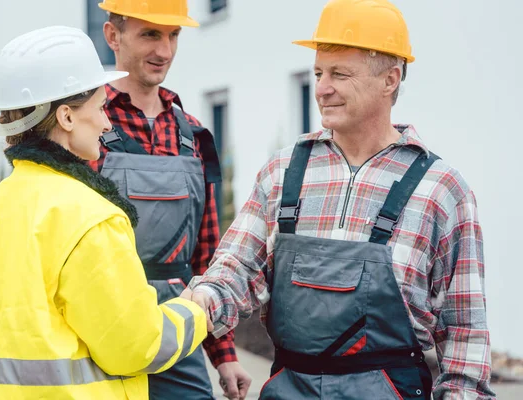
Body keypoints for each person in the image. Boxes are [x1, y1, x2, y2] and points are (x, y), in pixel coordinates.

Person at [186, 0, 496, 398]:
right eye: (318, 73)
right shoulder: (282, 173)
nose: (321, 88)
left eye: (339, 74)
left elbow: (464, 335)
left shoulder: (440, 191)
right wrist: (200, 301)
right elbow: (237, 267)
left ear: (390, 79)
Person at [0, 26, 207, 400]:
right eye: (99, 108)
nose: (106, 123)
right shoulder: (91, 218)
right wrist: (196, 311)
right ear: (66, 117)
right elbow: (135, 346)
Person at [90, 1, 251, 399]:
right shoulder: (84, 127)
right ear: (113, 35)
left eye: (173, 35)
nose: (164, 51)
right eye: (150, 34)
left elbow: (208, 253)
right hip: (99, 322)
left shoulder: (194, 135)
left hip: (176, 326)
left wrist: (224, 352)